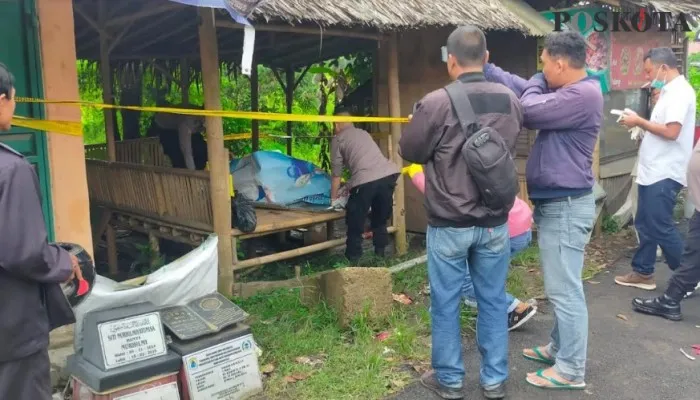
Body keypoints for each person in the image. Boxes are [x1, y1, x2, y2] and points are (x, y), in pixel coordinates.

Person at [400, 26, 523, 400]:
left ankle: (450, 381)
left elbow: (410, 151)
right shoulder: (509, 98)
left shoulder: (435, 103)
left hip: (450, 222)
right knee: (491, 298)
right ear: (486, 59)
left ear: (450, 60)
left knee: (446, 303)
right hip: (493, 223)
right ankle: (494, 380)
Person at [484, 31, 602, 390]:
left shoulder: (583, 94)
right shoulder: (568, 91)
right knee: (563, 285)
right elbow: (525, 88)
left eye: (545, 64)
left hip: (567, 206)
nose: (542, 71)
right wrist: (488, 69)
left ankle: (570, 370)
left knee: (564, 290)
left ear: (560, 63)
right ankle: (559, 348)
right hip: (560, 204)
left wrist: (535, 82)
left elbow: (529, 109)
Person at [0, 63, 82, 398]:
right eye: (14, 99)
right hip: (11, 330)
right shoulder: (11, 169)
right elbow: (25, 252)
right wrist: (64, 262)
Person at [405, 164, 538, 330]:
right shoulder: (479, 162)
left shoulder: (456, 175)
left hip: (503, 230)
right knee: (480, 274)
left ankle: (514, 308)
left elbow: (439, 196)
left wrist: (416, 174)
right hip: (520, 225)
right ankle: (468, 305)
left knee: (467, 281)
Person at [615, 47, 696, 291]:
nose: (648, 76)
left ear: (664, 67)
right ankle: (643, 272)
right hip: (653, 168)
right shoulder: (668, 92)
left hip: (665, 170)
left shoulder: (680, 93)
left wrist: (639, 121)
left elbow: (672, 132)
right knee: (645, 222)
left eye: (650, 71)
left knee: (659, 224)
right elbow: (661, 127)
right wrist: (639, 125)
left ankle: (688, 278)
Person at [632, 140, 700, 320]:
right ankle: (670, 298)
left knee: (689, 247)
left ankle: (671, 298)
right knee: (694, 251)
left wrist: (639, 122)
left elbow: (672, 132)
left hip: (663, 173)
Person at [330, 107, 400, 263]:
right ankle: (380, 256)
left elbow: (336, 174)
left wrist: (334, 198)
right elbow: (367, 162)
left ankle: (353, 259)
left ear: (336, 125)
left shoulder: (338, 140)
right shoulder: (363, 133)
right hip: (388, 176)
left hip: (366, 181)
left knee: (355, 219)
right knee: (380, 218)